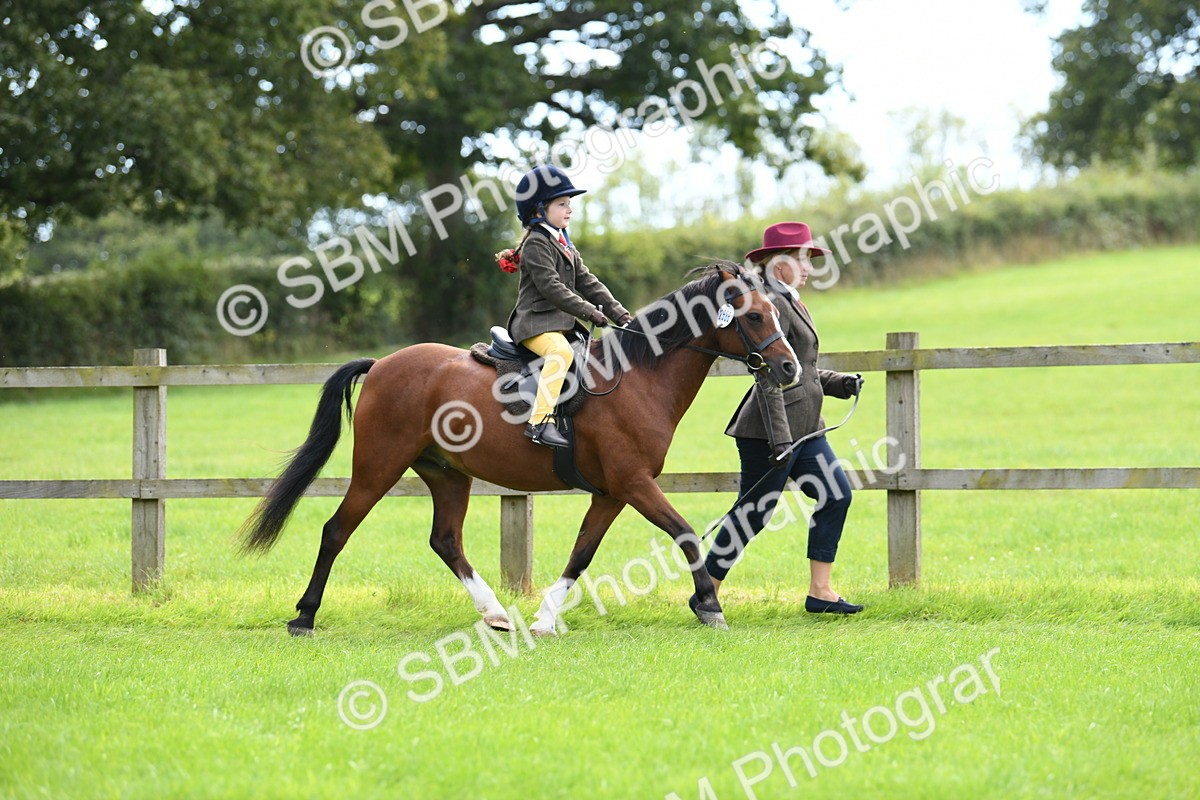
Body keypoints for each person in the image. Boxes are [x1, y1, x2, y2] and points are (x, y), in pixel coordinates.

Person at [694, 222, 865, 615]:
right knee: (753, 513)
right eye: (802, 259)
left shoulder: (792, 299)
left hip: (807, 430)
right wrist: (780, 441)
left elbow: (797, 367)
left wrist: (838, 384)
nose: (808, 267)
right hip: (768, 432)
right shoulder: (768, 303)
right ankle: (707, 591)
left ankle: (820, 592)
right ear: (776, 262)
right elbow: (769, 378)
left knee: (836, 494)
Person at [505, 165, 632, 448]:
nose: (569, 209)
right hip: (534, 324)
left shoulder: (564, 243)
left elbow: (589, 282)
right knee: (560, 353)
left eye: (569, 204)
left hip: (560, 324)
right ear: (538, 211)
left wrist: (621, 316)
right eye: (562, 204)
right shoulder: (536, 243)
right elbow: (553, 288)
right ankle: (539, 422)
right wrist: (590, 311)